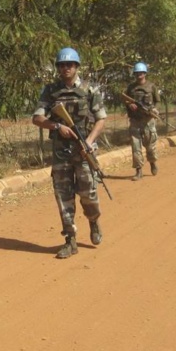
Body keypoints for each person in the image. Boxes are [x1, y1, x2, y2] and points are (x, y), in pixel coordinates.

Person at [32, 47, 106, 259]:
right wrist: (56, 127)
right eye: (62, 65)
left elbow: (101, 119)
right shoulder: (50, 91)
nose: (66, 68)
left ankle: (93, 221)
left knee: (88, 194)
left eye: (69, 65)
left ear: (77, 67)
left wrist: (90, 142)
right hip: (61, 153)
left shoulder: (90, 90)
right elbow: (37, 118)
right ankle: (70, 240)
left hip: (84, 152)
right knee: (63, 197)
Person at [123, 62, 160, 181]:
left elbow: (157, 101)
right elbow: (125, 99)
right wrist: (130, 104)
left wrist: (154, 110)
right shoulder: (131, 87)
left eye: (141, 73)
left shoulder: (152, 86)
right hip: (135, 120)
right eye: (137, 73)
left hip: (148, 120)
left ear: (145, 74)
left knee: (150, 146)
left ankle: (152, 162)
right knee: (135, 146)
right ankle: (138, 170)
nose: (139, 75)